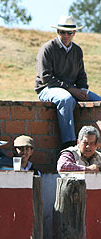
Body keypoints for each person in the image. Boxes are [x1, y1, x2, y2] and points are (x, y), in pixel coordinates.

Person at [35, 15, 101, 149]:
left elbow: (81, 76)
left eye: (69, 32)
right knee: (66, 99)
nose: (66, 35)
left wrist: (82, 91)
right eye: (62, 32)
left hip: (71, 89)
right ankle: (69, 145)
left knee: (98, 101)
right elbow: (46, 77)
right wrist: (71, 89)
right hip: (47, 88)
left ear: (74, 33)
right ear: (57, 32)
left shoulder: (77, 50)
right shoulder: (47, 48)